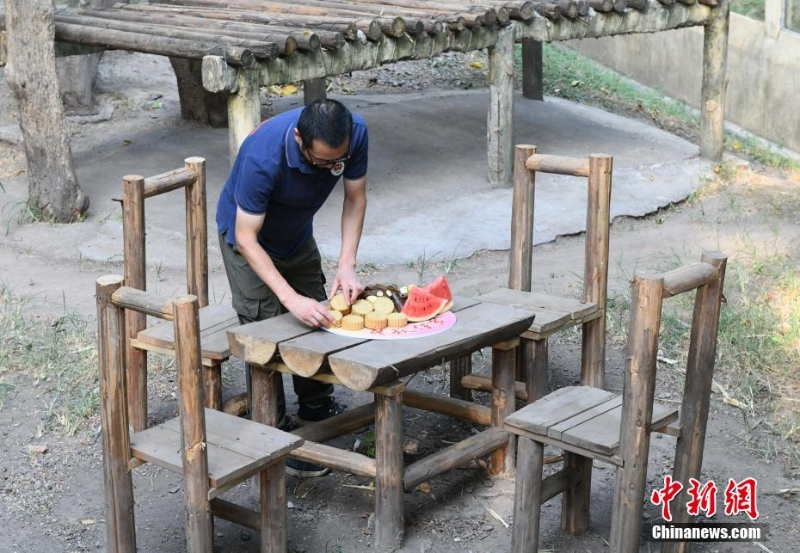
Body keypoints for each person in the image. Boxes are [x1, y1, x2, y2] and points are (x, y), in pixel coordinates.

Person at [216, 99, 368, 477]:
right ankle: (273, 432)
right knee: (266, 329)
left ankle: (315, 405)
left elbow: (355, 197)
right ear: (299, 139)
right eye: (319, 162)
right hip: (247, 238)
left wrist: (347, 265)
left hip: (296, 235)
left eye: (336, 160)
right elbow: (247, 237)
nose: (328, 168)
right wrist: (289, 299)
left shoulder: (356, 134)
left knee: (319, 313)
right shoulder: (263, 157)